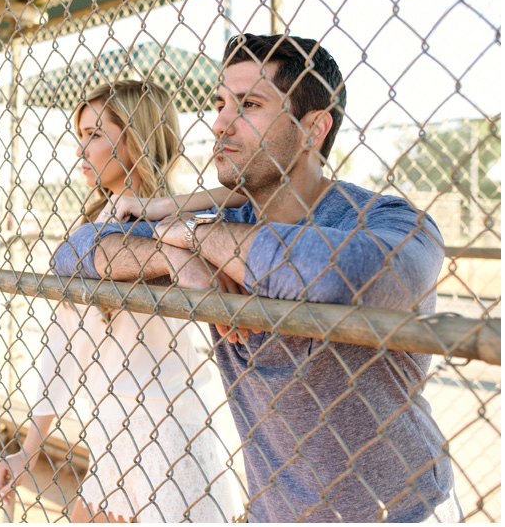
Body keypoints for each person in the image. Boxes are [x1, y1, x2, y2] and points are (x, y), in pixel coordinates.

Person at [51, 34, 462, 522]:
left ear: (313, 128)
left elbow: (340, 275)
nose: (220, 123)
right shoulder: (229, 226)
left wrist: (193, 235)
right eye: (220, 103)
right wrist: (174, 250)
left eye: (249, 105)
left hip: (398, 512)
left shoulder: (387, 221)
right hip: (275, 512)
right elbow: (73, 255)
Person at [0, 80, 245, 522]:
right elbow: (62, 346)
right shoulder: (93, 227)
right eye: (81, 135)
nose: (79, 151)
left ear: (136, 139)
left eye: (94, 135)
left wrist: (166, 216)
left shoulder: (181, 219)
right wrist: (28, 451)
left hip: (172, 425)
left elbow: (250, 191)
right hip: (111, 423)